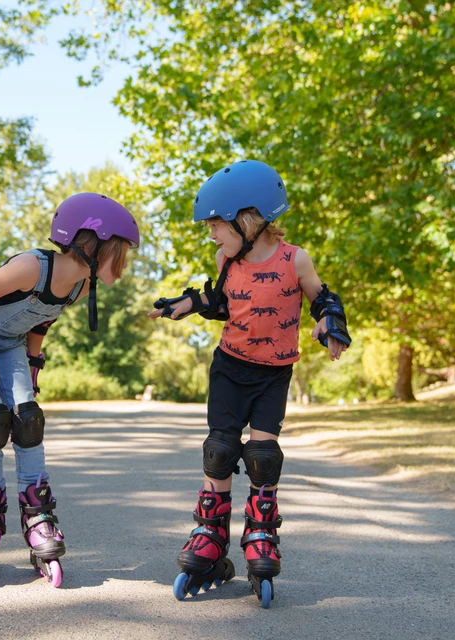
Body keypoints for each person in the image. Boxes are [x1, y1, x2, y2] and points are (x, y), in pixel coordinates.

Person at [149, 160, 351, 607]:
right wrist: (188, 303)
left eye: (217, 225)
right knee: (219, 449)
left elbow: (323, 298)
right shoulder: (227, 258)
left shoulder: (295, 258)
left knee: (262, 456)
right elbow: (223, 302)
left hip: (274, 373)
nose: (212, 235)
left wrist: (329, 324)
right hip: (229, 367)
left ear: (249, 218)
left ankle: (260, 534)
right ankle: (210, 534)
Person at [0, 193, 140, 587]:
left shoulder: (81, 286)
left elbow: (41, 321)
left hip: (12, 344)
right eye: (121, 251)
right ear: (94, 244)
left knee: (28, 421)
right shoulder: (32, 266)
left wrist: (32, 366)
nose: (125, 261)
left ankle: (39, 516)